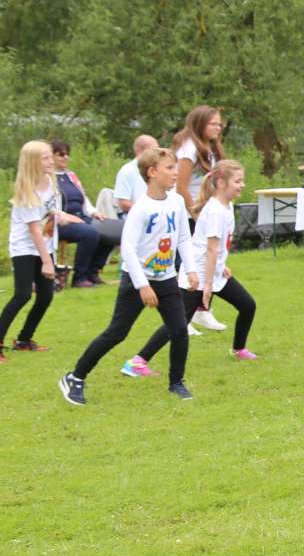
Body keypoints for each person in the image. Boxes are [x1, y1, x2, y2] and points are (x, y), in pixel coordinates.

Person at [60, 146, 193, 404]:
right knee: (117, 333)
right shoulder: (140, 208)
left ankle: (176, 382)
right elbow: (128, 249)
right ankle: (75, 377)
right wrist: (143, 285)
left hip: (166, 278)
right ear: (152, 172)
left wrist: (191, 269)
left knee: (179, 330)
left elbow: (184, 238)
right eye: (170, 168)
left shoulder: (176, 201)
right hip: (136, 280)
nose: (176, 173)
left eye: (176, 167)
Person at [123, 159, 259, 375]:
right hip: (198, 276)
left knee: (247, 305)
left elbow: (217, 247)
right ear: (222, 183)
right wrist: (207, 285)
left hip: (213, 273)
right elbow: (211, 249)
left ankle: (239, 348)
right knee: (177, 324)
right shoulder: (215, 210)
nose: (242, 185)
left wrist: (222, 267)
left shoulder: (227, 205)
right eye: (238, 181)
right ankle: (137, 361)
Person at [1, 141, 60, 358]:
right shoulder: (27, 192)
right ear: (33, 162)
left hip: (45, 245)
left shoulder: (50, 180)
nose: (51, 160)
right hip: (25, 249)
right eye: (45, 158)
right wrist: (47, 261)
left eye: (50, 156)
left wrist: (63, 217)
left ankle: (24, 340)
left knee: (45, 296)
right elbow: (34, 230)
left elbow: (50, 212)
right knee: (22, 294)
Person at [49, 138, 116, 288]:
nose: (66, 157)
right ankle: (79, 277)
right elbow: (49, 206)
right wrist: (66, 217)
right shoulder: (47, 178)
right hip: (60, 221)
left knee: (112, 231)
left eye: (67, 154)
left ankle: (93, 272)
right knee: (90, 233)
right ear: (51, 156)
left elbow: (83, 198)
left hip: (81, 216)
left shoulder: (71, 175)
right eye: (61, 154)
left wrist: (94, 213)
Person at [173, 105, 224, 216]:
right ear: (199, 124)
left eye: (219, 125)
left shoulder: (208, 148)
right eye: (213, 124)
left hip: (205, 209)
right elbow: (181, 187)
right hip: (189, 215)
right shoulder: (189, 149)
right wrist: (195, 214)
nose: (218, 128)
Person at [113, 135, 158, 216]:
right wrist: (145, 212)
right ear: (141, 151)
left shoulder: (158, 169)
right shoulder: (127, 171)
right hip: (134, 216)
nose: (157, 154)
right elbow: (123, 203)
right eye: (154, 150)